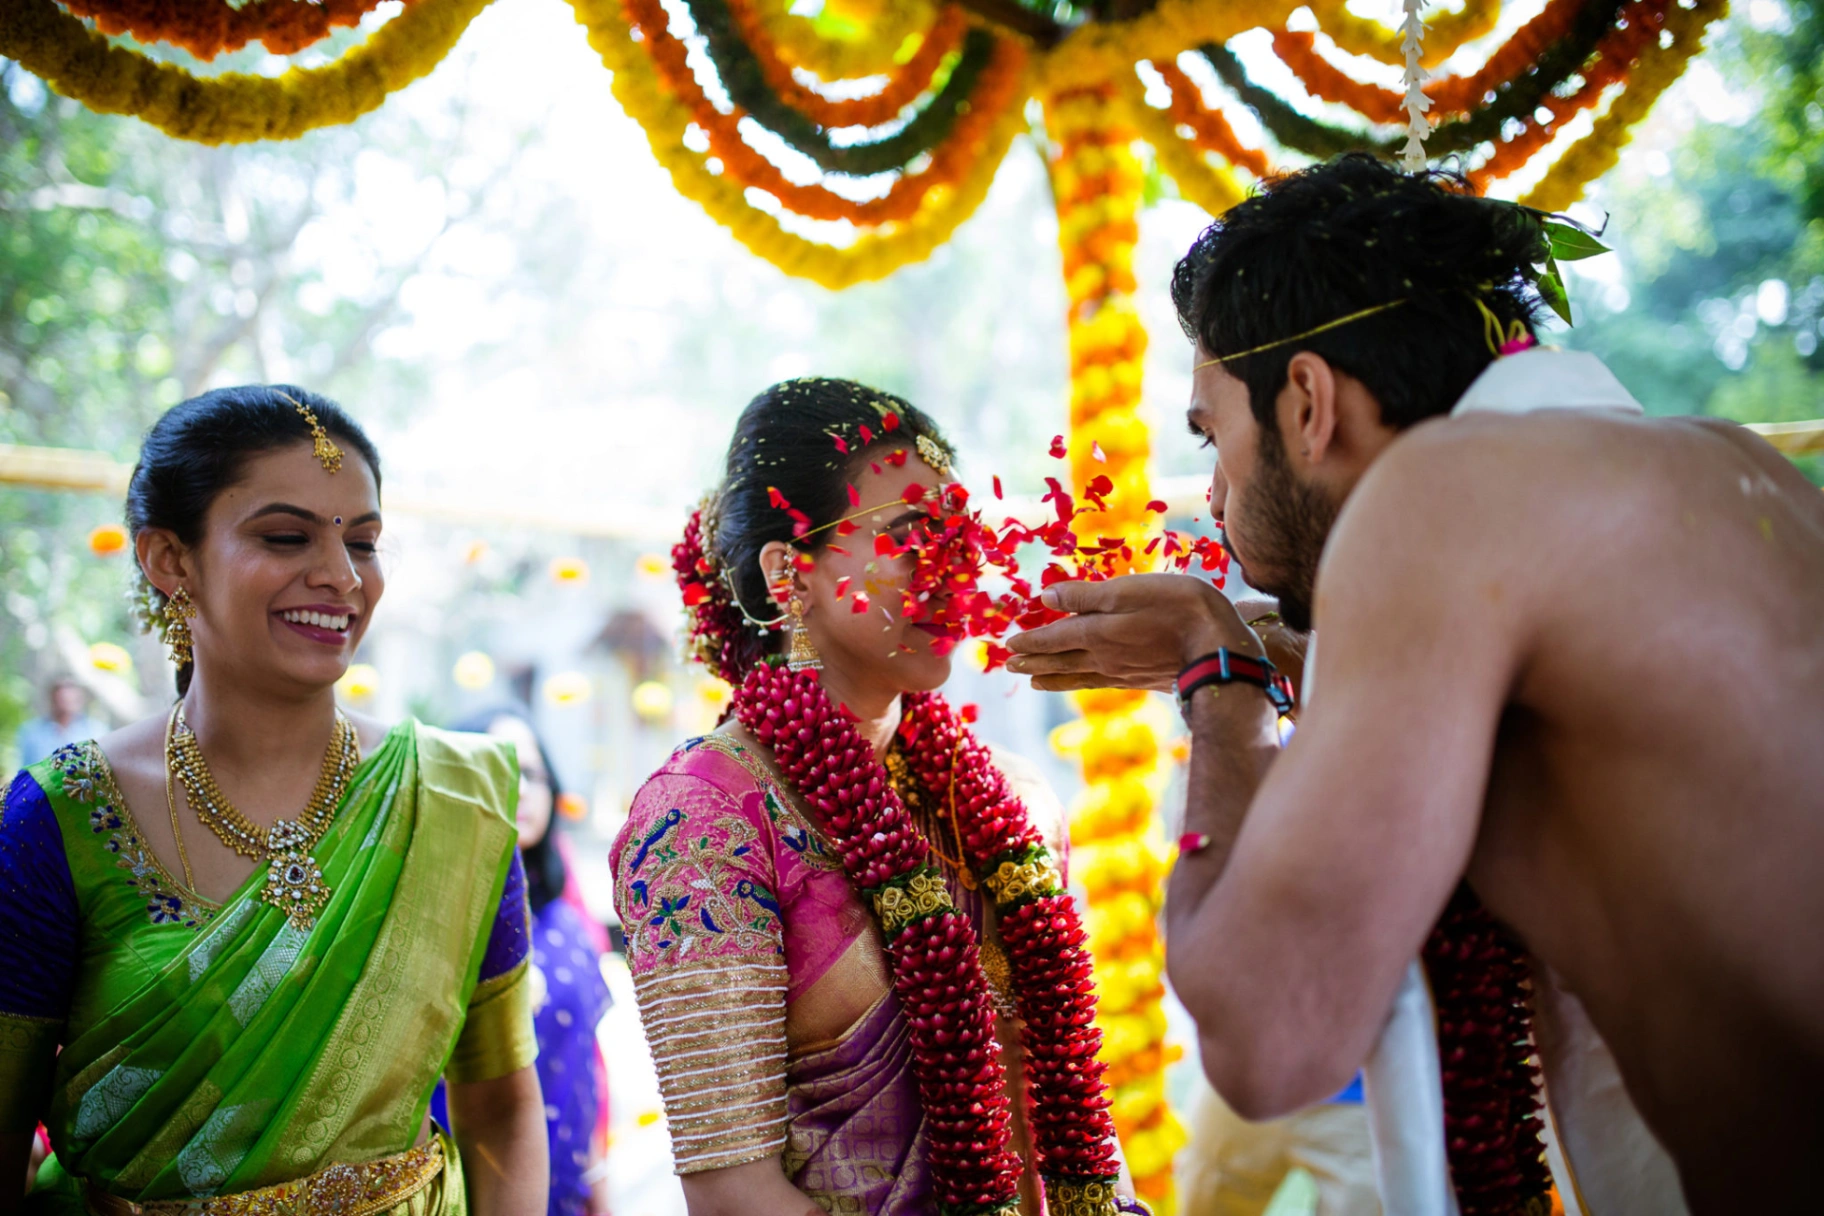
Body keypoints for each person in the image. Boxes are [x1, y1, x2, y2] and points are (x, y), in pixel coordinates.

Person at [1005, 155, 1824, 1215]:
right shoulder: (1717, 466)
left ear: (1306, 402)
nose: (1209, 493)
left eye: (1213, 433)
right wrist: (1264, 644)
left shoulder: (1429, 499)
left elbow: (1268, 1037)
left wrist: (1224, 679)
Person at [0, 386, 549, 1214]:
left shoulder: (453, 801)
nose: (339, 577)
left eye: (362, 543)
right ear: (169, 560)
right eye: (286, 536)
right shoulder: (61, 817)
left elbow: (501, 1108)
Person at [611, 379, 1142, 1216]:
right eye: (911, 536)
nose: (958, 566)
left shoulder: (1015, 800)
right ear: (791, 572)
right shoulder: (706, 818)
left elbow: (1076, 1123)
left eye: (961, 533)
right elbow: (730, 1193)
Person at [438, 708, 613, 1216]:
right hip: (464, 1191)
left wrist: (599, 1185)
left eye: (535, 774)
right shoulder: (432, 914)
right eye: (503, 767)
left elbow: (589, 1065)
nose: (524, 787)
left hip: (567, 1188)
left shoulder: (565, 918)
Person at [14, 679, 105, 767]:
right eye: (62, 700)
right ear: (52, 700)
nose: (66, 705)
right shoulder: (31, 731)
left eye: (71, 701)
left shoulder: (97, 730)